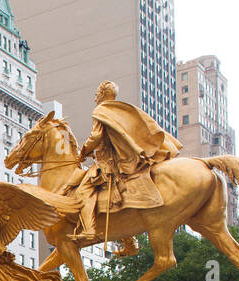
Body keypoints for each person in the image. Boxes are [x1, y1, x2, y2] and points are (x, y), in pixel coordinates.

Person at [71, 79, 182, 244]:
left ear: (101, 94)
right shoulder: (117, 110)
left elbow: (96, 136)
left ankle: (89, 230)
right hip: (121, 158)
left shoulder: (100, 110)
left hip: (108, 161)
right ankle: (128, 240)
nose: (95, 97)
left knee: (83, 191)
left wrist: (83, 151)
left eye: (96, 94)